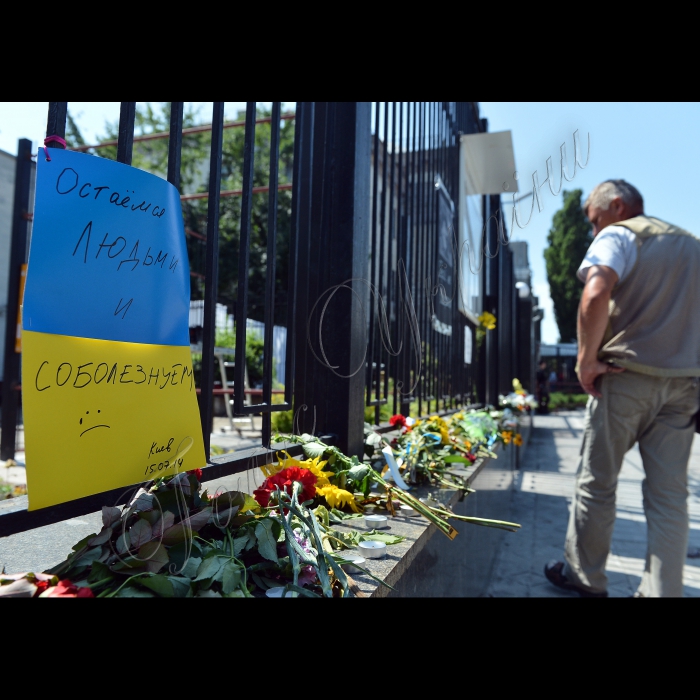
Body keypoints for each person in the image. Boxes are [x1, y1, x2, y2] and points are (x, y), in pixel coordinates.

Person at [544, 179, 700, 597]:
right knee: (670, 496)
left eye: (595, 220)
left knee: (597, 482)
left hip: (624, 378)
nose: (594, 230)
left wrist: (586, 361)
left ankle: (586, 577)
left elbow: (595, 294)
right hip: (683, 386)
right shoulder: (693, 245)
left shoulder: (620, 235)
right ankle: (663, 591)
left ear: (616, 205)